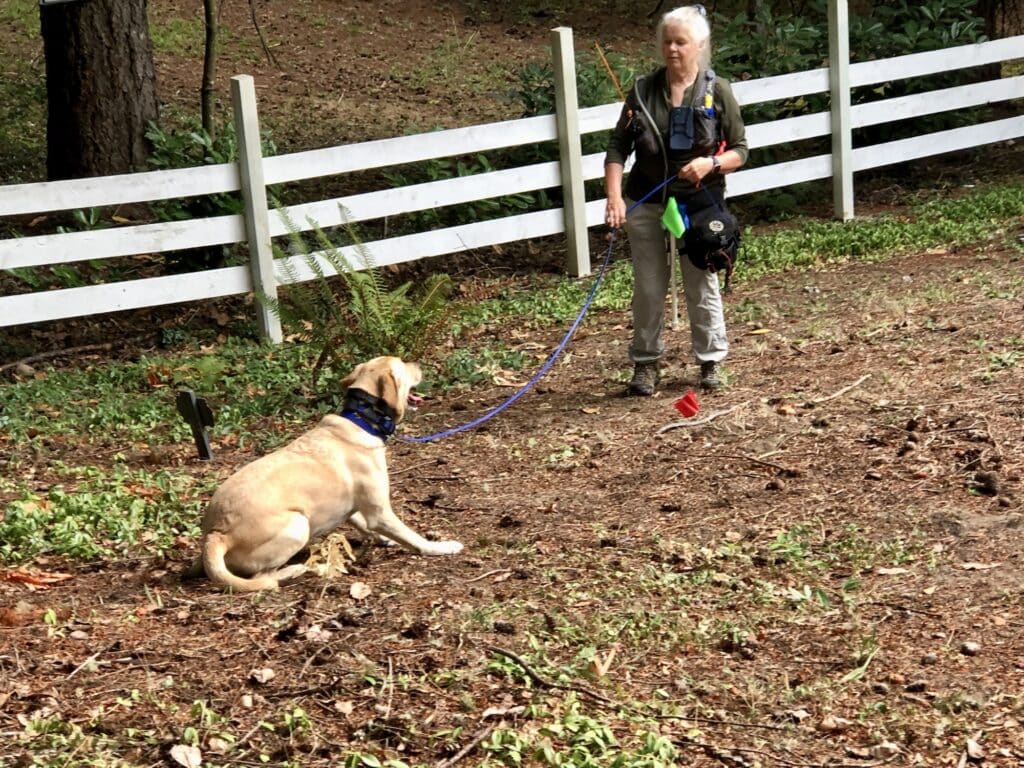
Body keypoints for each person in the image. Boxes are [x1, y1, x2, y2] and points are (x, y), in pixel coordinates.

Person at [604, 4, 748, 395]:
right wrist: (614, 198)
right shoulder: (641, 90)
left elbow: (741, 150)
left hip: (699, 205)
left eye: (680, 42)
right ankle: (646, 364)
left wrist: (711, 164)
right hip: (647, 203)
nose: (672, 49)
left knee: (701, 282)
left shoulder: (717, 90)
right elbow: (617, 149)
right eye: (666, 41)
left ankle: (711, 362)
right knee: (649, 286)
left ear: (699, 45)